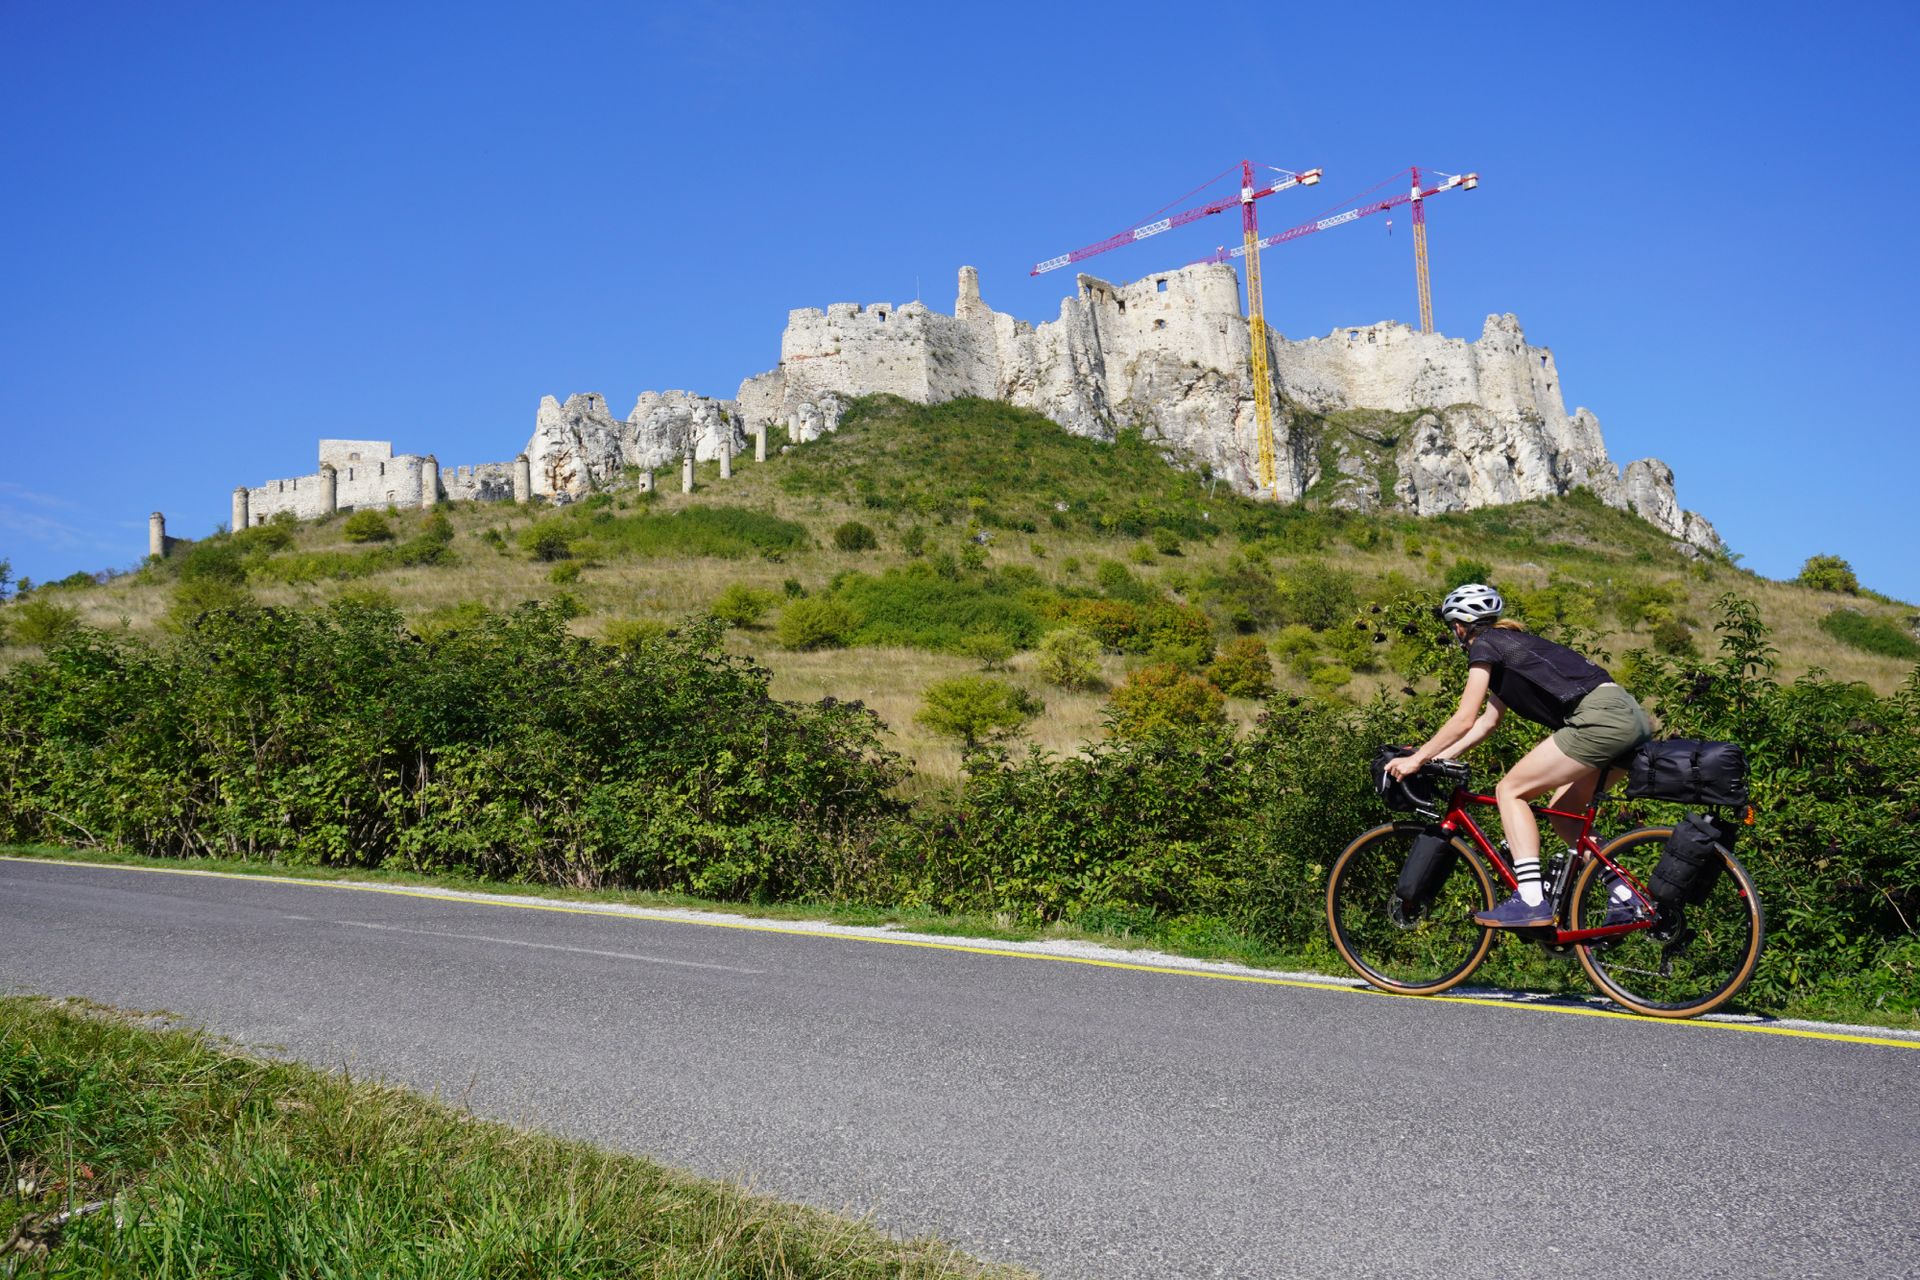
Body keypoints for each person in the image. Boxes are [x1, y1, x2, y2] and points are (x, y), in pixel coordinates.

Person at [1383, 583, 1653, 928]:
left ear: (1460, 625)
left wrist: (1416, 759)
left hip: (1599, 719)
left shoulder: (1485, 645)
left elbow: (1464, 716)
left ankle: (1529, 900)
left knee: (1509, 790)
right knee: (1563, 813)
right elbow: (1486, 723)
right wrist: (1439, 757)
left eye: (1453, 626)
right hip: (1630, 717)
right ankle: (1626, 897)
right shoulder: (1511, 648)